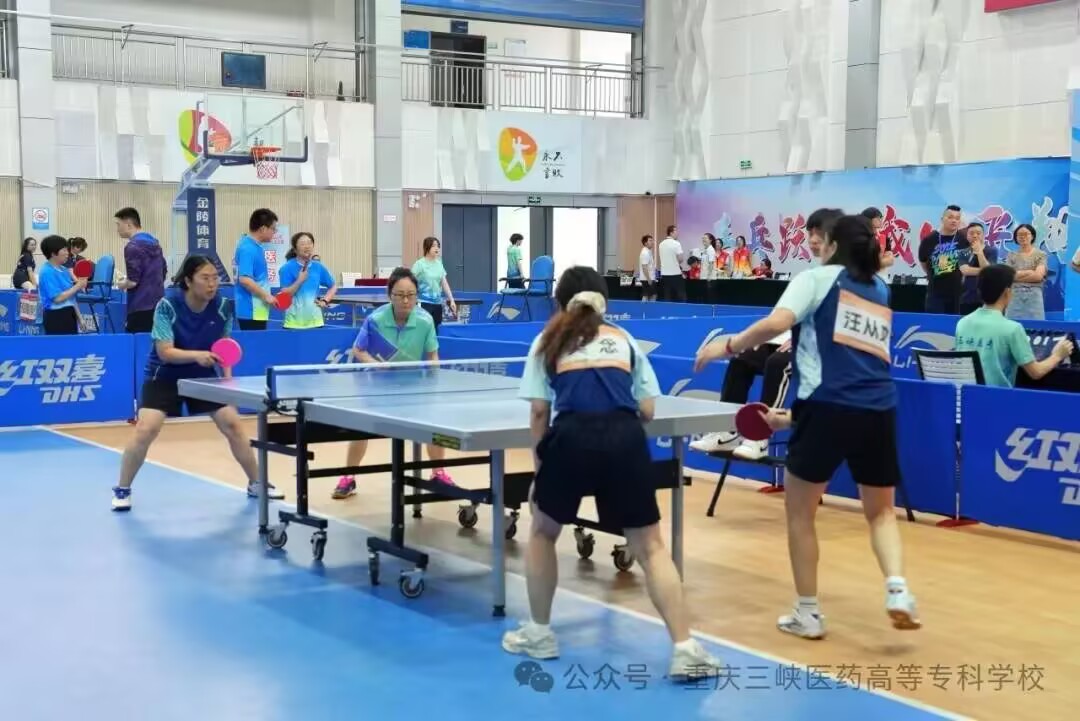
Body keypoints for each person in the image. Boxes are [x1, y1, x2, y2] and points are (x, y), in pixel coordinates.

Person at [695, 214, 920, 640]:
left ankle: (808, 614)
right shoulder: (879, 288)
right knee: (881, 512)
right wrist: (792, 417)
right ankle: (898, 590)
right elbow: (855, 366)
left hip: (826, 407)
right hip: (879, 409)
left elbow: (777, 324)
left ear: (832, 244)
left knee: (800, 513)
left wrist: (728, 346)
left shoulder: (815, 279)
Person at [503, 265, 722, 679]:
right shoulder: (624, 340)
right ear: (605, 302)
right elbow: (648, 409)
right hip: (625, 439)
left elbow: (539, 412)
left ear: (560, 303)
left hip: (570, 438)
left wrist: (540, 470)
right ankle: (685, 649)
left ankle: (539, 633)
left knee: (544, 532)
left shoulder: (548, 340)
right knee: (651, 547)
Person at [111, 255, 285, 511]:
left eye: (215, 278)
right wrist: (197, 355)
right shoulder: (167, 305)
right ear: (188, 281)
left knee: (233, 424)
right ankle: (123, 488)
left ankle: (257, 482)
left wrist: (227, 382)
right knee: (146, 429)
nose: (212, 284)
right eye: (205, 278)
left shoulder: (223, 306)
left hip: (204, 376)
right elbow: (164, 352)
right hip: (164, 375)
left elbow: (224, 348)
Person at [690, 208, 842, 459]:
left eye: (820, 234)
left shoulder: (845, 280)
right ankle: (727, 430)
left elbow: (789, 323)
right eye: (810, 234)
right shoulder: (813, 276)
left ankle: (759, 435)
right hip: (797, 342)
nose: (813, 240)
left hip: (824, 356)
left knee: (778, 363)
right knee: (744, 358)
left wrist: (729, 345)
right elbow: (788, 320)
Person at [331, 267, 456, 500]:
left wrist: (434, 380)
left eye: (410, 295)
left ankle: (438, 472)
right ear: (390, 295)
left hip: (413, 386)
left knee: (434, 427)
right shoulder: (375, 320)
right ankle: (348, 476)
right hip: (377, 386)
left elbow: (432, 355)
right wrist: (375, 364)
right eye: (400, 295)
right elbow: (358, 350)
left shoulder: (425, 320)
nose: (406, 300)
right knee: (361, 428)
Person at [955, 265, 1072, 388]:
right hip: (999, 398)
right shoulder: (1013, 329)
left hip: (965, 397)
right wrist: (1058, 355)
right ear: (1007, 292)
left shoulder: (962, 324)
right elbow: (1036, 372)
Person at [115, 207, 167, 333]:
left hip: (139, 305)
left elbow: (133, 282)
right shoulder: (155, 244)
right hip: (158, 303)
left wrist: (120, 284)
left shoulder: (132, 247)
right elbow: (164, 271)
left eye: (118, 224)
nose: (117, 229)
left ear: (128, 225)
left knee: (136, 342)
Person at [278, 232, 338, 329]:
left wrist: (325, 301)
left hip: (316, 322)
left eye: (309, 243)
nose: (307, 246)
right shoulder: (286, 268)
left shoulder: (318, 267)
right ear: (295, 249)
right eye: (302, 244)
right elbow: (284, 297)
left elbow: (333, 286)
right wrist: (299, 280)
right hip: (293, 323)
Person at [233, 208, 279, 330]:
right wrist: (266, 296)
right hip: (250, 310)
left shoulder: (256, 247)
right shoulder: (248, 248)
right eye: (273, 229)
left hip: (258, 310)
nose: (274, 232)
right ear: (263, 229)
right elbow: (244, 279)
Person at [918, 204, 965, 314]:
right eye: (950, 217)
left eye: (957, 218)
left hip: (957, 293)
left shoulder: (964, 239)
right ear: (942, 219)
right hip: (935, 293)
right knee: (934, 322)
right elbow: (923, 262)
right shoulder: (929, 239)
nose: (954, 221)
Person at [37, 234, 86, 335]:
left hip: (70, 314)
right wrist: (78, 285)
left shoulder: (64, 270)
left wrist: (80, 318)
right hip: (55, 316)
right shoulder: (46, 271)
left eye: (67, 250)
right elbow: (57, 298)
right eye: (64, 250)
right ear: (53, 253)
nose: (67, 253)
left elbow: (71, 298)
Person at [411, 236, 457, 330]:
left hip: (437, 303)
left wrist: (451, 299)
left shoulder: (439, 264)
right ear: (427, 248)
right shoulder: (419, 264)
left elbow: (444, 283)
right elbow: (410, 281)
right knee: (423, 330)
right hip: (423, 303)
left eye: (438, 246)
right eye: (433, 246)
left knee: (436, 330)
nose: (437, 248)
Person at [1004, 223, 1046, 321]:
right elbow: (1007, 276)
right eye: (1019, 235)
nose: (1023, 237)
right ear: (1016, 238)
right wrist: (1030, 272)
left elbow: (1038, 276)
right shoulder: (1011, 255)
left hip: (1034, 296)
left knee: (1035, 326)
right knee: (1012, 324)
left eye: (1026, 234)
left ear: (1032, 236)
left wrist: (1016, 275)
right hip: (1014, 295)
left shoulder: (1040, 254)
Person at [957, 221, 996, 316]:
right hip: (967, 297)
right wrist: (985, 271)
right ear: (967, 236)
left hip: (987, 297)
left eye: (978, 233)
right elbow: (965, 271)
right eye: (971, 233)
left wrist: (979, 252)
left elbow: (989, 271)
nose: (975, 236)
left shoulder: (992, 250)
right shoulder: (962, 252)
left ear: (983, 235)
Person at [657, 225, 686, 302]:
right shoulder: (676, 243)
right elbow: (681, 259)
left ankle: (667, 309)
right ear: (671, 233)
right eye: (676, 231)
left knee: (667, 295)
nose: (677, 233)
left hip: (664, 274)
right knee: (681, 296)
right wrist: (675, 262)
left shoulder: (661, 244)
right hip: (675, 274)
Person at [638, 234, 656, 301]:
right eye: (650, 241)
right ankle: (645, 307)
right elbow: (644, 267)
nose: (652, 242)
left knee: (649, 295)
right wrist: (649, 279)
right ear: (645, 243)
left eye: (652, 240)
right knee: (649, 296)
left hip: (649, 278)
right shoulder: (645, 253)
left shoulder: (648, 251)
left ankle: (648, 307)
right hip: (647, 279)